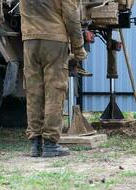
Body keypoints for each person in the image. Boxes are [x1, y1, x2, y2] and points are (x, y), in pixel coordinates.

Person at [19, 0, 87, 157]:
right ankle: (50, 144)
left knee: (33, 92)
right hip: (54, 40)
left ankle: (35, 144)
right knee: (54, 91)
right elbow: (71, 16)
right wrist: (78, 49)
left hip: (29, 40)